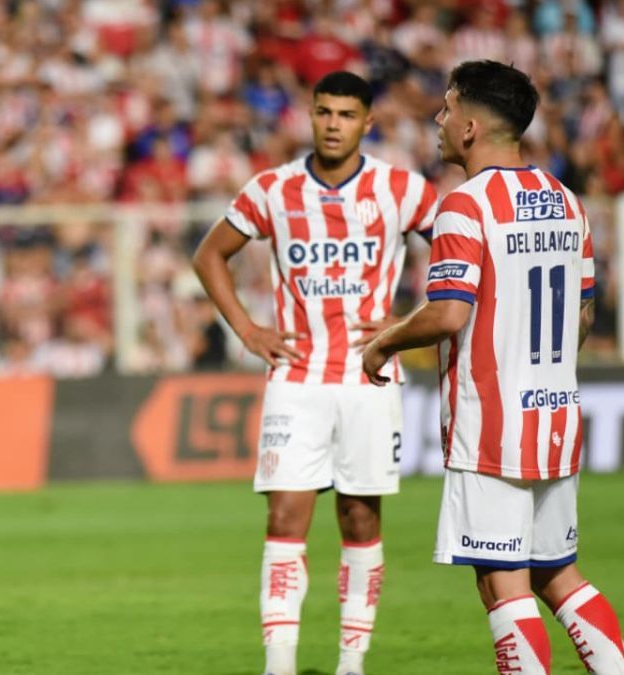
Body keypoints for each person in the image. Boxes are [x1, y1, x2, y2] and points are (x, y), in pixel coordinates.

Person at [362, 60, 624, 674]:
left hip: (491, 429)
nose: (438, 119)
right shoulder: (566, 201)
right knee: (559, 576)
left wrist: (383, 343)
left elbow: (448, 313)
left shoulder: (464, 205)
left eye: (447, 107)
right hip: (556, 418)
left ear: (470, 127)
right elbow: (584, 315)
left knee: (501, 585)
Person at [193, 71, 438, 675]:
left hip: (368, 379)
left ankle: (352, 663)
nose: (333, 124)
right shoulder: (273, 189)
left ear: (367, 123)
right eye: (324, 112)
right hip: (296, 378)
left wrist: (408, 321)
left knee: (360, 517)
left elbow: (463, 253)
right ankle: (279, 665)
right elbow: (209, 255)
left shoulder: (402, 189)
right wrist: (247, 330)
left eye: (346, 115)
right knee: (284, 516)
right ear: (310, 115)